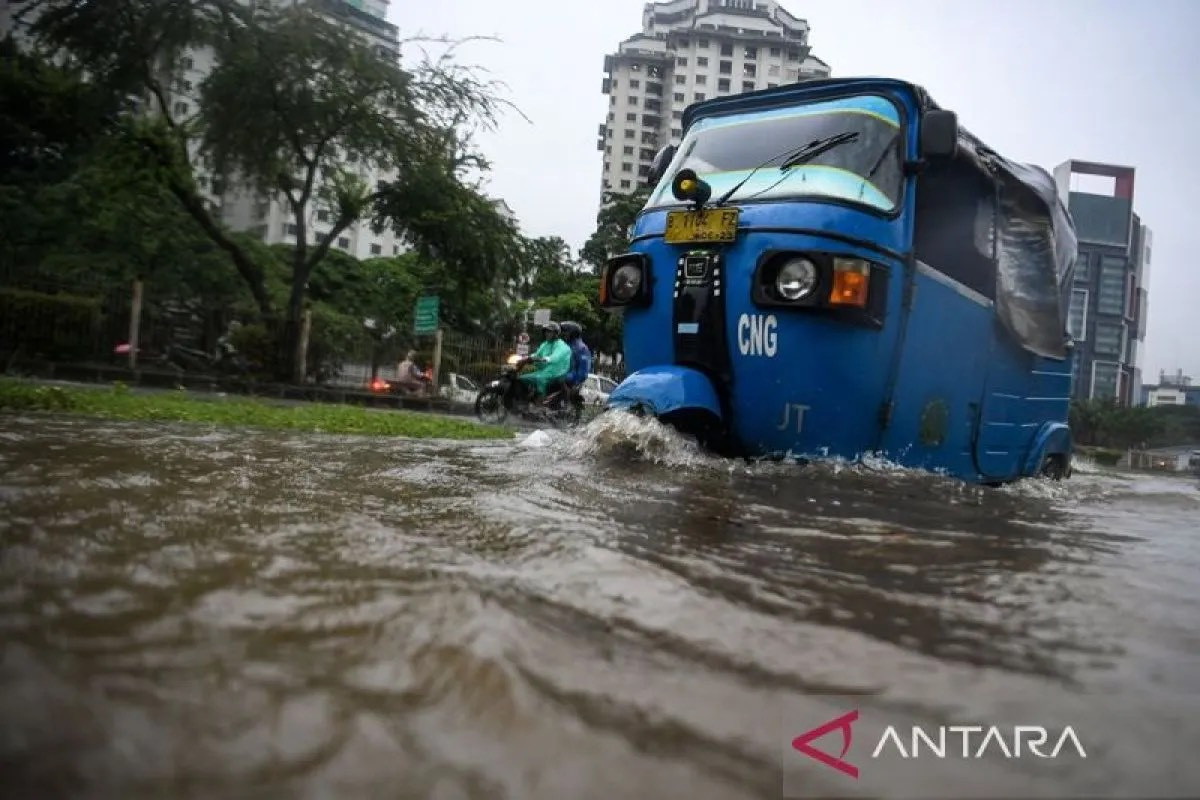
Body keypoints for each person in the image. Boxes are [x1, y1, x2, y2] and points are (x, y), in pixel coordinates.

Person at [517, 322, 572, 401]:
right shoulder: (545, 344)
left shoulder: (562, 346)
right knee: (522, 378)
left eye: (549, 331)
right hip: (544, 371)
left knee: (540, 379)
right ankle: (525, 399)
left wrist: (542, 359)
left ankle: (540, 402)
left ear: (556, 333)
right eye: (546, 331)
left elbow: (554, 357)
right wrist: (527, 358)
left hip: (557, 372)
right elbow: (537, 354)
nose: (546, 333)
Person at [559, 320, 592, 408]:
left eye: (565, 332)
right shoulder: (563, 345)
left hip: (571, 379)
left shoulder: (581, 348)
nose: (563, 334)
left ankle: (566, 405)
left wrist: (577, 383)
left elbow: (583, 369)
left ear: (573, 333)